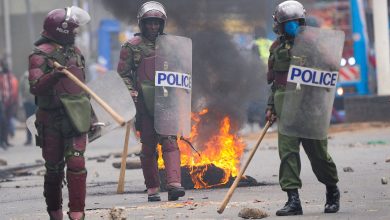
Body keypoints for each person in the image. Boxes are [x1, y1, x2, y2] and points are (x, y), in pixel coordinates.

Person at [265, 0, 340, 216]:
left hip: (311, 110)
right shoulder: (276, 49)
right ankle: (293, 200)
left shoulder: (313, 45)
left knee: (319, 156)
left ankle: (332, 191)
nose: (291, 27)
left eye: (294, 23)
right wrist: (271, 106)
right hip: (286, 110)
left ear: (302, 22)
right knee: (287, 154)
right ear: (278, 25)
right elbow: (276, 82)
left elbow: (331, 70)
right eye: (286, 24)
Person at [117, 1, 185, 202]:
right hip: (143, 104)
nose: (153, 27)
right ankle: (153, 188)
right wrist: (130, 91)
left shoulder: (172, 46)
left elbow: (182, 71)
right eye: (149, 23)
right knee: (148, 147)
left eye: (156, 23)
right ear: (142, 24)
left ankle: (174, 185)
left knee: (170, 142)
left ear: (162, 24)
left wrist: (182, 91)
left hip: (166, 101)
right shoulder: (131, 47)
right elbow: (123, 74)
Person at [28, 6, 91, 220]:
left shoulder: (76, 53)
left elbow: (82, 87)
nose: (75, 34)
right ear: (62, 31)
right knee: (54, 169)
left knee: (76, 162)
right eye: (72, 30)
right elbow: (35, 87)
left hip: (75, 119)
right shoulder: (40, 55)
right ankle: (55, 213)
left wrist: (89, 114)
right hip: (51, 119)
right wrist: (53, 76)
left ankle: (77, 213)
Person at [0, 59, 18, 148]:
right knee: (2, 121)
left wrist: (15, 101)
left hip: (10, 102)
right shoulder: (1, 76)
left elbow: (14, 88)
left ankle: (5, 140)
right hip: (2, 101)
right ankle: (2, 140)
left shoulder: (10, 76)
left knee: (6, 122)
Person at [20, 71, 37, 145]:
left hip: (36, 102)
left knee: (38, 121)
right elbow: (21, 90)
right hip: (27, 102)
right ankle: (29, 139)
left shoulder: (38, 75)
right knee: (28, 121)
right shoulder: (24, 76)